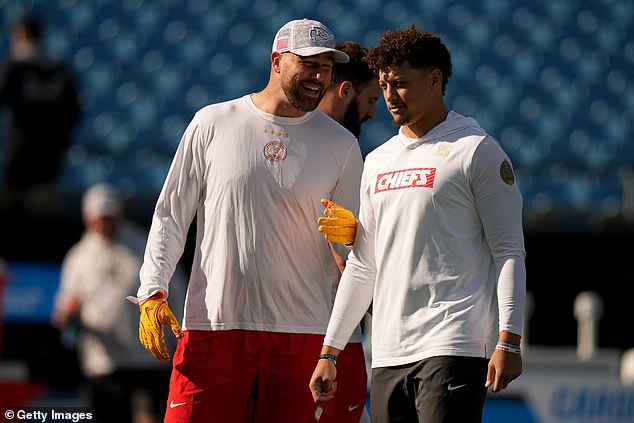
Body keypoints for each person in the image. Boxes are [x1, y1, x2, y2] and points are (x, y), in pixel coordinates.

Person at [133, 18, 365, 422]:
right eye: (308, 63)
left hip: (304, 332)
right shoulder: (212, 123)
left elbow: (356, 253)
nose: (318, 75)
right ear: (276, 61)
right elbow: (171, 214)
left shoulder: (342, 144)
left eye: (327, 67)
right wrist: (153, 289)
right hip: (214, 326)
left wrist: (355, 238)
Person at [309, 26, 526, 423]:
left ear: (435, 80)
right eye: (385, 85)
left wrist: (508, 339)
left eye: (402, 84)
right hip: (388, 351)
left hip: (453, 344)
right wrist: (330, 351)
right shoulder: (375, 160)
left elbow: (509, 250)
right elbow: (363, 264)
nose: (390, 96)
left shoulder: (476, 150)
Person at [52, 183, 185, 423]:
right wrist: (67, 313)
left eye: (110, 216)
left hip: (149, 358)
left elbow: (176, 292)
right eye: (100, 218)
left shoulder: (148, 247)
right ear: (88, 218)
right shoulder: (78, 257)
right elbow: (64, 306)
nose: (105, 223)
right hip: (103, 361)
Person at [318, 40, 381, 423]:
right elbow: (349, 260)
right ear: (346, 91)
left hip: (322, 332)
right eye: (371, 99)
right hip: (322, 335)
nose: (375, 111)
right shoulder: (348, 151)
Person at [0, 14, 81, 211]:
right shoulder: (58, 70)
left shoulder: (15, 68)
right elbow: (74, 112)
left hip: (20, 156)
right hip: (50, 156)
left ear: (20, 36)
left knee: (14, 209)